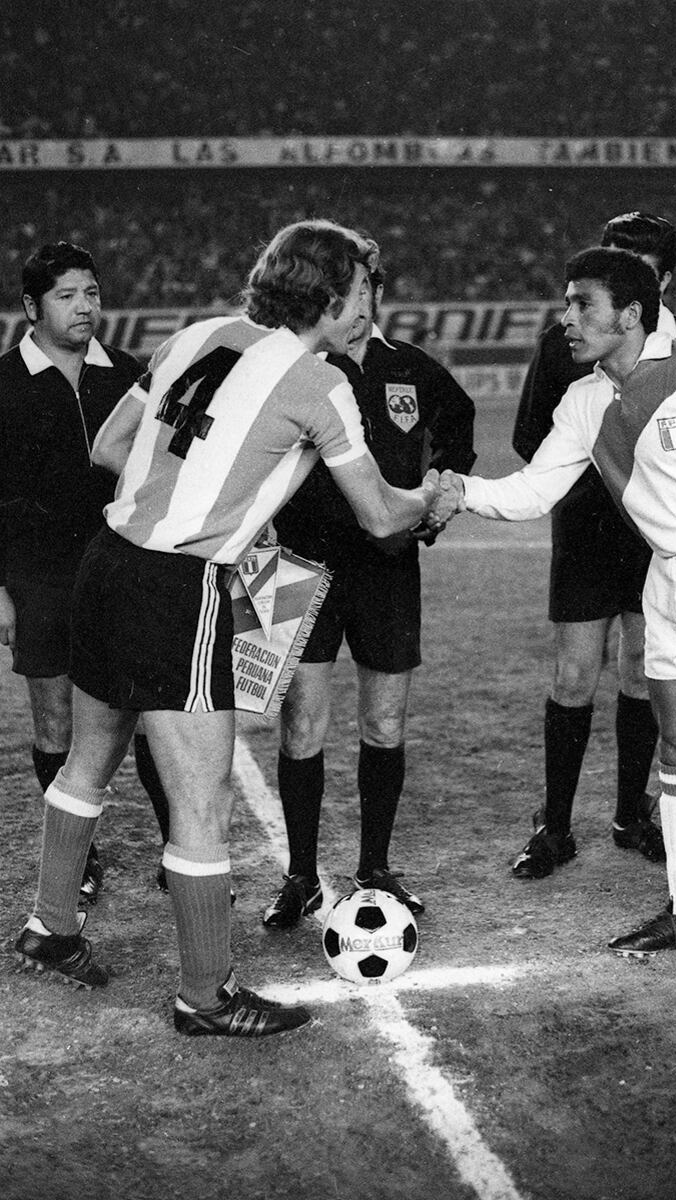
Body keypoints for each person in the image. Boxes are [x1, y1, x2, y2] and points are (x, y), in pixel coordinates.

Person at [13, 220, 440, 1038]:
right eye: (357, 295)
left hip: (107, 563)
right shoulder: (321, 382)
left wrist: (220, 494)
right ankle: (205, 997)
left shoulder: (196, 335)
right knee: (202, 800)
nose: (364, 312)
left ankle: (51, 927)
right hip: (181, 588)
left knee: (86, 764)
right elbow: (383, 515)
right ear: (324, 297)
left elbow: (109, 448)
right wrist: (434, 499)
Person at [431, 246, 676, 981]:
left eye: (583, 305)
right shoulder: (582, 400)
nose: (566, 318)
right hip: (668, 583)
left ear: (630, 314)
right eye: (567, 304)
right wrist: (461, 491)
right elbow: (535, 491)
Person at [261, 257, 476, 929]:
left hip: (386, 567)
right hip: (293, 566)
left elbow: (460, 426)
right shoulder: (290, 366)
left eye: (354, 288)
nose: (347, 301)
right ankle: (299, 876)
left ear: (373, 293)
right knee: (300, 722)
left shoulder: (410, 368)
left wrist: (440, 489)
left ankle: (374, 867)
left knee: (385, 721)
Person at [510, 213, 676, 880]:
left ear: (666, 279)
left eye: (639, 267)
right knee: (574, 672)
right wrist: (603, 471)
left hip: (656, 533)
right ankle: (556, 827)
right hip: (588, 528)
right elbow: (530, 441)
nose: (620, 274)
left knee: (639, 670)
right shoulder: (563, 342)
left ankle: (632, 815)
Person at [0, 241, 163, 903]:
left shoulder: (127, 373)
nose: (84, 307)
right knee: (56, 726)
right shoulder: (3, 382)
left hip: (126, 574)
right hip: (38, 579)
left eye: (91, 293)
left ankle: (180, 844)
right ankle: (83, 855)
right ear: (32, 306)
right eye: (67, 295)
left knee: (156, 716)